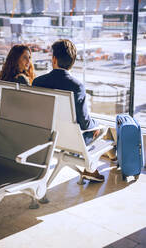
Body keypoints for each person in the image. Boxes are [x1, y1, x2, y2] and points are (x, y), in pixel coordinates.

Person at [32, 39, 116, 182]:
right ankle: (112, 160)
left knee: (93, 126)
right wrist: (96, 125)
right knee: (102, 128)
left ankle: (95, 168)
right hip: (73, 141)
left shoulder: (38, 82)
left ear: (54, 59)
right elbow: (84, 123)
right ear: (73, 62)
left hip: (48, 138)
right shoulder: (77, 86)